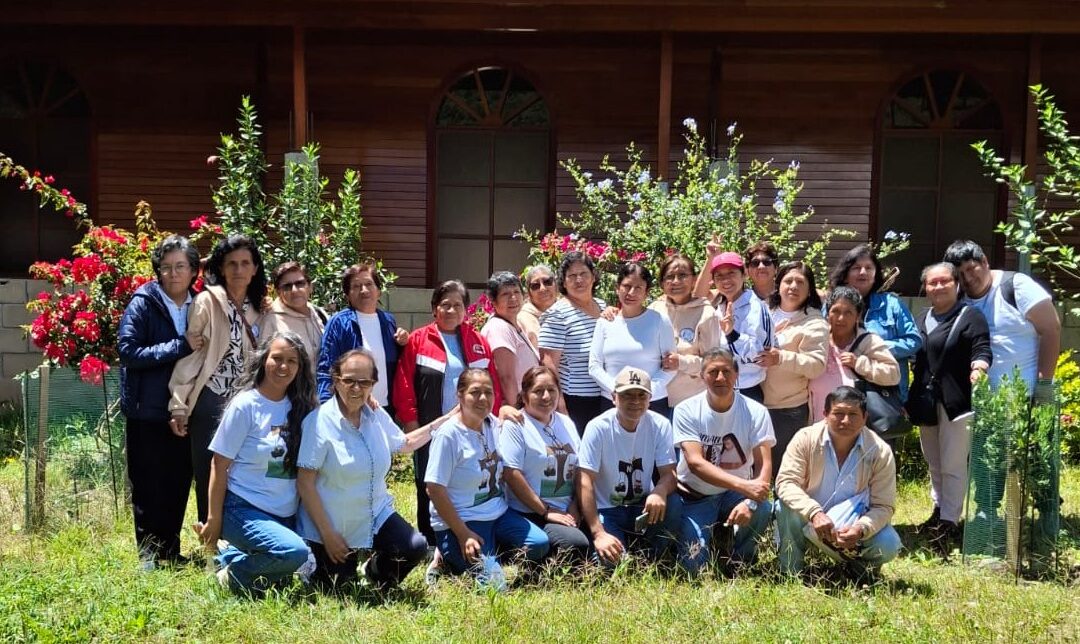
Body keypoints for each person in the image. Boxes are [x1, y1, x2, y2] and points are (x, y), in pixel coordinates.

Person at [297, 350, 454, 590]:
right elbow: (305, 483)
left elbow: (405, 444)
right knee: (339, 588)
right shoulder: (318, 422)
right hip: (334, 522)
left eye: (364, 382)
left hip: (374, 512)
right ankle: (313, 563)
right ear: (336, 380)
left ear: (373, 385)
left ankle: (374, 571)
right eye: (349, 380)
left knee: (414, 548)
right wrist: (327, 534)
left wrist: (448, 419)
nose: (356, 388)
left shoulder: (375, 414)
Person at [193, 332, 317, 595]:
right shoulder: (245, 405)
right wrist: (214, 520)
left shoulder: (303, 406)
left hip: (285, 514)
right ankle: (232, 575)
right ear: (263, 360)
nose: (284, 366)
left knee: (288, 574)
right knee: (293, 553)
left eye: (292, 361)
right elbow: (218, 464)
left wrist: (365, 403)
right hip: (243, 507)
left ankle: (231, 556)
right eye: (277, 358)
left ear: (300, 367)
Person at [393, 279, 511, 547]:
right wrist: (411, 422)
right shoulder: (418, 340)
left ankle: (471, 528)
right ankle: (432, 538)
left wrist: (491, 421)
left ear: (465, 310)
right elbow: (404, 384)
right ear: (434, 308)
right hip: (432, 427)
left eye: (457, 305)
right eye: (445, 305)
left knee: (472, 477)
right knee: (429, 479)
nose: (451, 310)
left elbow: (491, 384)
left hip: (472, 427)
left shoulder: (478, 341)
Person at [169, 234, 268, 523]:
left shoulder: (260, 308)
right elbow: (192, 356)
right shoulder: (207, 302)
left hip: (248, 402)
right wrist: (178, 404)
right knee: (209, 470)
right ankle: (209, 535)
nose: (238, 270)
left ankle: (242, 534)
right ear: (221, 268)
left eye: (245, 263)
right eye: (231, 264)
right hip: (212, 398)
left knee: (245, 469)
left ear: (255, 269)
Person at [118, 235, 202, 569]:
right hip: (147, 410)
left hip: (184, 409)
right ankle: (148, 555)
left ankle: (170, 551)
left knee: (178, 481)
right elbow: (128, 352)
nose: (173, 273)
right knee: (147, 483)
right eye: (166, 267)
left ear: (193, 270)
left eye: (180, 266)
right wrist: (179, 345)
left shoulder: (200, 304)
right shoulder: (143, 302)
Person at [425, 369, 550, 589]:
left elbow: (502, 415)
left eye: (488, 392)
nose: (483, 398)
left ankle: (489, 556)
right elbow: (434, 489)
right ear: (460, 395)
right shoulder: (448, 435)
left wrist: (505, 408)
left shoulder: (491, 423)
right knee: (495, 587)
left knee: (539, 543)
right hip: (464, 521)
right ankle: (447, 556)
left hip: (498, 513)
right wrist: (463, 534)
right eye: (475, 392)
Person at [775, 386, 902, 580]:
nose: (846, 421)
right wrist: (815, 513)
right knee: (784, 506)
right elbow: (786, 483)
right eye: (838, 413)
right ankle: (791, 572)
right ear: (825, 414)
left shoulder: (879, 451)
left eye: (853, 414)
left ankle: (858, 572)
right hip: (808, 519)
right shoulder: (805, 438)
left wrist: (861, 529)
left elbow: (883, 506)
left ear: (865, 417)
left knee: (888, 544)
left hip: (851, 525)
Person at [906, 263, 992, 549]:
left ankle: (950, 521)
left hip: (957, 401)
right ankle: (939, 509)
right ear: (925, 287)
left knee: (953, 464)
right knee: (934, 462)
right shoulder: (922, 318)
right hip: (926, 401)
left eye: (945, 281)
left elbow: (982, 347)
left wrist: (979, 367)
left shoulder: (970, 316)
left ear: (956, 284)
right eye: (933, 282)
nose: (939, 286)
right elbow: (916, 361)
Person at [674, 349, 775, 576]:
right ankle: (717, 535)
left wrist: (750, 501)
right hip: (696, 496)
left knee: (763, 508)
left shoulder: (756, 411)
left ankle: (742, 562)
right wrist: (745, 486)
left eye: (726, 371)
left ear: (737, 375)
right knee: (693, 569)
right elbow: (695, 463)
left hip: (736, 495)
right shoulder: (686, 409)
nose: (720, 378)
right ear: (702, 376)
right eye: (713, 372)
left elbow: (764, 464)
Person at [577, 367, 682, 567]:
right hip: (606, 509)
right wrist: (598, 533)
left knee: (674, 503)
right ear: (613, 397)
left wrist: (659, 491)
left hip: (642, 506)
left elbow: (669, 474)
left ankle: (653, 556)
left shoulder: (660, 424)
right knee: (613, 564)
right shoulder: (597, 427)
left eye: (641, 395)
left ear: (650, 399)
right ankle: (619, 548)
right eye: (627, 395)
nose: (635, 401)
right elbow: (585, 480)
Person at [942, 240, 1060, 402]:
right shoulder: (957, 299)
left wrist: (1044, 384)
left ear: (984, 261)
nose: (967, 278)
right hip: (980, 401)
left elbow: (1051, 329)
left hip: (1026, 397)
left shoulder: (1016, 286)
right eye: (960, 274)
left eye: (970, 269)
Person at [499, 366, 590, 561]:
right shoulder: (516, 424)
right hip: (532, 511)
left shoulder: (566, 422)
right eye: (538, 391)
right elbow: (511, 474)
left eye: (551, 390)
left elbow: (579, 469)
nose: (546, 396)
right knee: (575, 544)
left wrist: (576, 505)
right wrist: (546, 511)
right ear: (524, 395)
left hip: (567, 510)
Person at [757, 261, 829, 477]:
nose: (793, 286)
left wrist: (781, 358)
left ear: (810, 290)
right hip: (753, 401)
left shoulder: (815, 323)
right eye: (788, 281)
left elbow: (816, 365)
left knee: (783, 472)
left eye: (800, 282)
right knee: (754, 469)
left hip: (787, 409)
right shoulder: (762, 311)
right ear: (778, 285)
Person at [828, 244, 921, 402]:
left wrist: (875, 348)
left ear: (876, 274)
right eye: (856, 267)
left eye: (869, 268)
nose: (863, 272)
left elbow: (913, 340)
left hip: (884, 394)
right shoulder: (831, 305)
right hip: (841, 392)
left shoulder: (892, 304)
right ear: (845, 274)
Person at [589, 262, 677, 416]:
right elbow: (594, 366)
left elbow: (670, 366)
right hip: (613, 401)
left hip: (652, 402)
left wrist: (646, 391)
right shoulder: (605, 322)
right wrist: (618, 390)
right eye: (626, 286)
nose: (631, 292)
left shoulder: (660, 321)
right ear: (617, 288)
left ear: (646, 292)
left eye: (638, 288)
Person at [316, 263, 408, 409]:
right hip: (351, 409)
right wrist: (327, 408)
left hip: (384, 408)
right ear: (348, 295)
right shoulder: (339, 323)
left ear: (378, 291)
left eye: (369, 284)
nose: (364, 290)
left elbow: (397, 366)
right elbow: (326, 370)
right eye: (356, 286)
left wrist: (403, 344)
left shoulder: (388, 321)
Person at [693, 243, 774, 403]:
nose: (726, 280)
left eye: (731, 273)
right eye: (719, 276)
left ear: (744, 275)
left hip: (746, 390)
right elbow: (697, 297)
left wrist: (732, 334)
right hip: (719, 386)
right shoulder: (721, 305)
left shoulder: (755, 307)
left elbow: (759, 355)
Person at [538, 251, 608, 434]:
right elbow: (548, 364)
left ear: (593, 277)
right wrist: (560, 407)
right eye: (572, 276)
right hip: (576, 402)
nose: (579, 280)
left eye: (583, 274)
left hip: (605, 397)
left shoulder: (603, 307)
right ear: (563, 282)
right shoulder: (558, 314)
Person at [808, 287, 900, 423]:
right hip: (817, 425)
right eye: (835, 311)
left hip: (853, 426)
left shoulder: (868, 341)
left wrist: (859, 364)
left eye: (848, 313)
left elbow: (893, 375)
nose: (841, 318)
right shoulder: (818, 339)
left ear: (858, 316)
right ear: (827, 313)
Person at [648, 253, 721, 409]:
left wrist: (682, 362)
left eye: (682, 275)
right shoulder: (654, 310)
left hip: (690, 401)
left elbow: (712, 363)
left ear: (694, 279)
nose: (676, 281)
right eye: (670, 276)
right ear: (662, 283)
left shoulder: (706, 314)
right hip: (654, 399)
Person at [482, 271, 540, 408]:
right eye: (505, 294)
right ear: (493, 301)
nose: (513, 298)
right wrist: (516, 410)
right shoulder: (499, 328)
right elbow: (506, 377)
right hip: (517, 407)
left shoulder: (514, 324)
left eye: (516, 292)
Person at [259, 262, 326, 369]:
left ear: (310, 287)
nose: (294, 290)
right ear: (278, 292)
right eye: (287, 286)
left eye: (300, 284)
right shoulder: (271, 320)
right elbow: (264, 366)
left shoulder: (319, 313)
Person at [518, 264, 559, 349]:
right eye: (535, 286)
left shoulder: (568, 310)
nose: (542, 288)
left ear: (556, 285)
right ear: (529, 293)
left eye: (547, 282)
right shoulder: (522, 319)